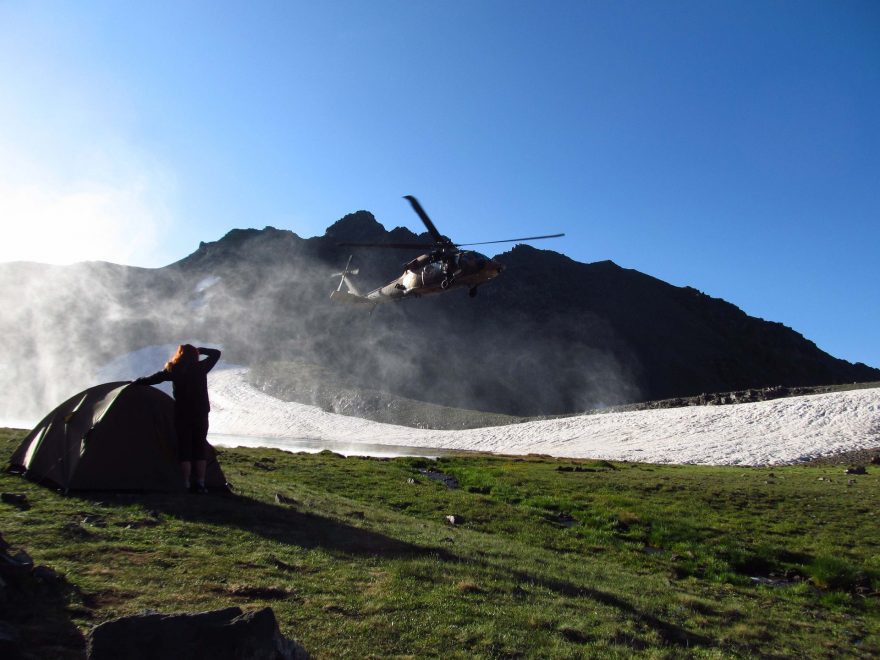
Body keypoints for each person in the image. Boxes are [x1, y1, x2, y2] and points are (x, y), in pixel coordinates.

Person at [133, 344, 221, 493]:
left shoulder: (174, 369)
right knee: (199, 446)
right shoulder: (201, 367)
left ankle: (186, 483)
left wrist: (137, 381)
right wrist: (200, 350)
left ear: (179, 354)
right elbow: (216, 353)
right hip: (201, 412)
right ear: (194, 355)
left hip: (182, 413)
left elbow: (153, 379)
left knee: (184, 447)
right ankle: (200, 483)